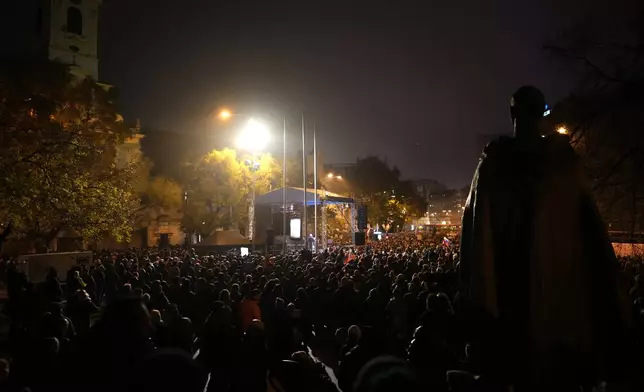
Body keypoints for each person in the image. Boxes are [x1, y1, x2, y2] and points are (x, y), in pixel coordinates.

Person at [459, 86, 632, 389]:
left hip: (509, 309)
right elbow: (593, 237)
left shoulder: (493, 165)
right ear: (542, 114)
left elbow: (474, 239)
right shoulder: (564, 164)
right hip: (559, 312)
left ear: (512, 113)